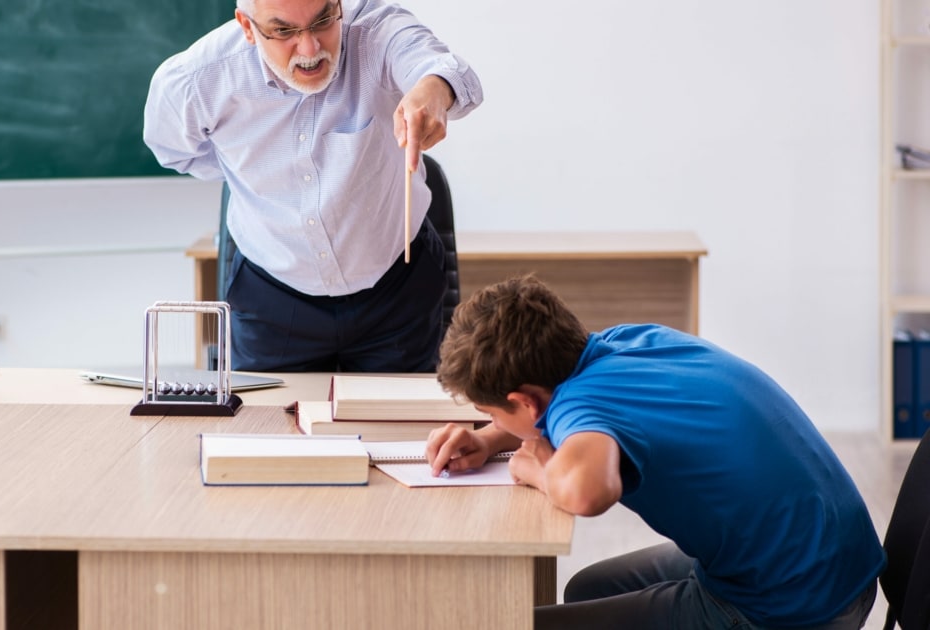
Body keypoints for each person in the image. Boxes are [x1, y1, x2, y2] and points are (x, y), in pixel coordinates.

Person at [426, 274, 885, 629]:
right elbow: (571, 412)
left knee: (526, 625)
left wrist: (540, 472)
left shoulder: (579, 404)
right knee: (588, 587)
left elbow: (587, 492)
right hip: (830, 560)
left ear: (524, 402)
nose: (493, 422)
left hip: (791, 605)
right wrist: (490, 437)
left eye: (490, 412)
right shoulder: (628, 342)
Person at [143, 0, 483, 372]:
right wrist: (250, 172)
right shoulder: (199, 79)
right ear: (246, 26)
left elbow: (449, 71)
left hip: (395, 288)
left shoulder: (374, 29)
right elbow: (175, 151)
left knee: (397, 426)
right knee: (266, 425)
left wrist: (431, 91)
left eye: (323, 20)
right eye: (284, 31)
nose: (309, 49)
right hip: (271, 296)